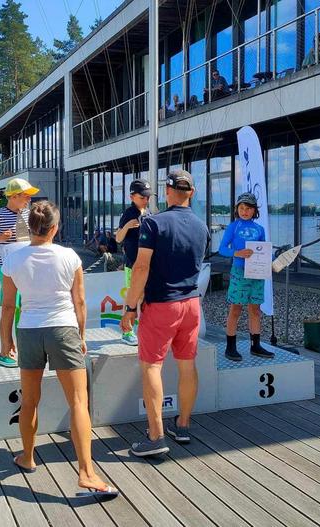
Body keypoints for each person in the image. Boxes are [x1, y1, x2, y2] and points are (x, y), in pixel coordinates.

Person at [0, 201, 118, 497]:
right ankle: (87, 473)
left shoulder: (13, 260)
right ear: (55, 228)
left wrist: (5, 341)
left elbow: (7, 306)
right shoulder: (70, 257)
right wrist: (81, 335)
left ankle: (27, 457)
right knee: (78, 402)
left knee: (30, 401)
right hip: (63, 329)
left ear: (29, 228)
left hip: (28, 330)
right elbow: (79, 302)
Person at [120, 170, 209, 457]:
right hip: (192, 304)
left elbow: (141, 268)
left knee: (152, 367)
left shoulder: (154, 224)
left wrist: (130, 307)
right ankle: (182, 425)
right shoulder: (202, 227)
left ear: (168, 191)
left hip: (161, 305)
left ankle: (156, 436)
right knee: (187, 365)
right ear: (191, 193)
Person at [0, 177, 39, 368]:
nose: (29, 199)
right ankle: (5, 351)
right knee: (8, 307)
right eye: (26, 196)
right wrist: (0, 236)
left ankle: (23, 349)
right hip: (8, 268)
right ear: (13, 196)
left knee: (27, 306)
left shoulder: (29, 213)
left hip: (27, 266)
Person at [218, 193, 274, 362]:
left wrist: (271, 263)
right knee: (236, 309)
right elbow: (222, 249)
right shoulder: (233, 227)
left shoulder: (260, 229)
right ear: (237, 210)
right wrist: (237, 253)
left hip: (257, 273)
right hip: (239, 272)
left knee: (255, 309)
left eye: (248, 208)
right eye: (241, 208)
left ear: (254, 211)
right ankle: (230, 346)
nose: (244, 211)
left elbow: (264, 251)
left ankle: (255, 345)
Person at [116, 178, 152, 346]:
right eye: (142, 197)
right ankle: (127, 331)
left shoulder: (149, 213)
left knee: (144, 297)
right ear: (132, 197)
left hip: (148, 264)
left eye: (148, 196)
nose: (146, 200)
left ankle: (143, 329)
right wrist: (127, 226)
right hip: (132, 263)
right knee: (132, 295)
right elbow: (118, 238)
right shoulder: (128, 214)